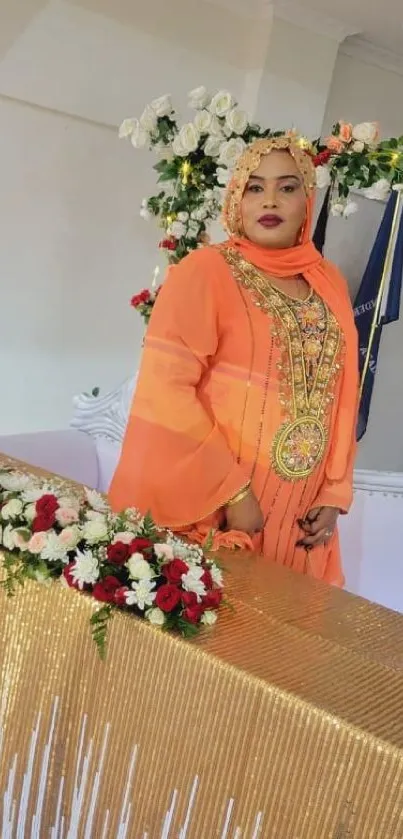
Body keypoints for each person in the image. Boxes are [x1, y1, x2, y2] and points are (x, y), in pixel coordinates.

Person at [109, 136, 359, 586]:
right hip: (225, 506)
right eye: (254, 187)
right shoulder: (206, 271)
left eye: (287, 188)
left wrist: (335, 491)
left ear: (308, 201)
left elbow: (343, 391)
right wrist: (232, 492)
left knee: (278, 648)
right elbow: (166, 387)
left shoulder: (328, 282)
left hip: (301, 518)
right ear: (236, 200)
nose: (270, 201)